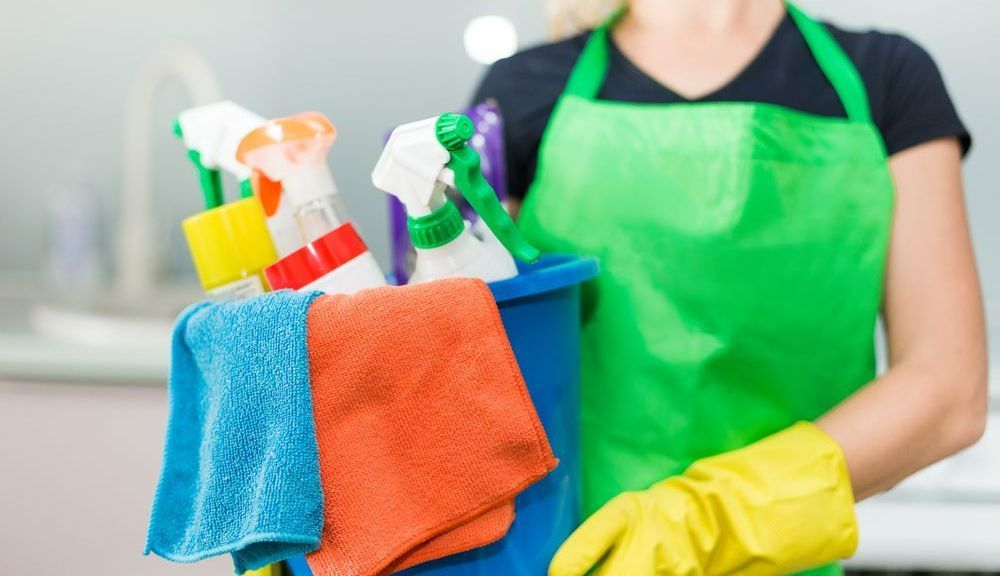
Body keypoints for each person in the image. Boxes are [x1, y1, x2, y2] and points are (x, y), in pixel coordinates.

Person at [473, 0, 986, 574]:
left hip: (779, 559)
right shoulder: (522, 89)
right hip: (571, 559)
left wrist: (703, 522)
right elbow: (476, 372)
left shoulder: (884, 77)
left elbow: (948, 393)